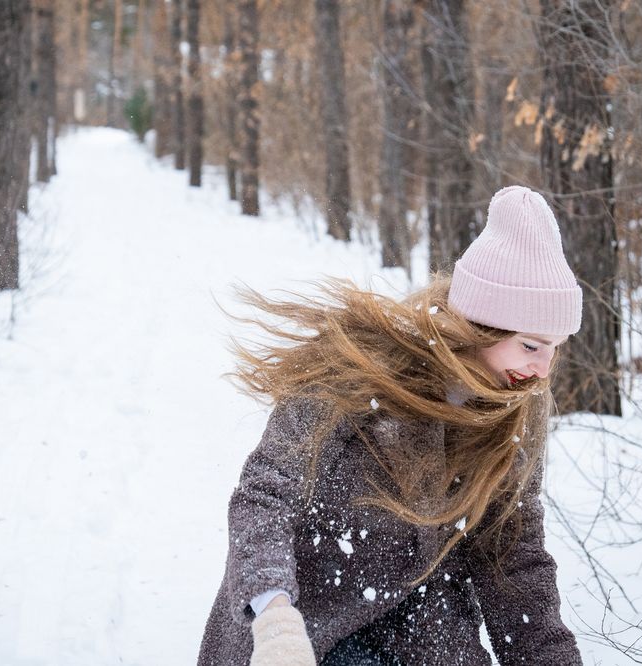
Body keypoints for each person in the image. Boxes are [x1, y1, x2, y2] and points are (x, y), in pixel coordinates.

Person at [197, 186, 584, 665]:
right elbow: (265, 495)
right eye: (531, 346)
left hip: (423, 631)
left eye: (555, 348)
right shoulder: (356, 371)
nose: (543, 370)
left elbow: (514, 560)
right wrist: (276, 622)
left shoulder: (513, 410)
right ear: (482, 327)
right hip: (309, 616)